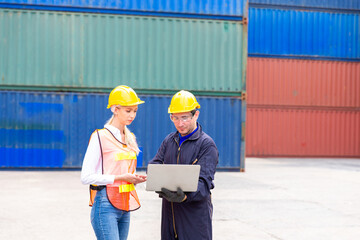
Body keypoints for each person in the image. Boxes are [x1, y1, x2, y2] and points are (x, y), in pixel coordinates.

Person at [149, 90, 219, 240]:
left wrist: (184, 197)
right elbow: (155, 164)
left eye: (185, 118)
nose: (180, 123)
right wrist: (158, 181)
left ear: (196, 115)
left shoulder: (206, 145)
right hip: (170, 216)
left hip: (194, 218)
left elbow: (204, 183)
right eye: (175, 118)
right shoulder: (169, 141)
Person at [81, 85, 147, 240]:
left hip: (125, 205)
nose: (132, 115)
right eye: (128, 110)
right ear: (115, 109)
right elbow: (86, 177)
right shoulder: (100, 137)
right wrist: (119, 177)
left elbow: (124, 172)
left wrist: (134, 179)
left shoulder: (130, 138)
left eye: (135, 111)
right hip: (105, 205)